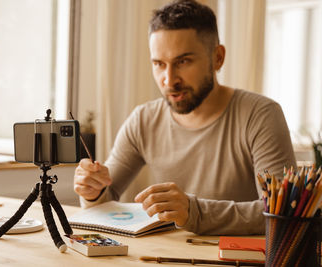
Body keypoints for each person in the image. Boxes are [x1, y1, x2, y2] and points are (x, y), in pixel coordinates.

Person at [73, 0, 296, 235]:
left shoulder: (260, 115)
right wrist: (93, 191)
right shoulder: (143, 120)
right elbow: (104, 203)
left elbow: (283, 213)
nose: (169, 80)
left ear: (218, 57)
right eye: (159, 64)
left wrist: (195, 212)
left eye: (183, 62)